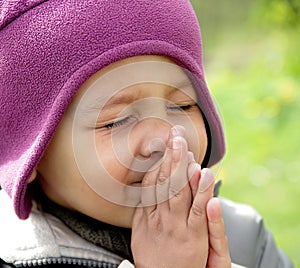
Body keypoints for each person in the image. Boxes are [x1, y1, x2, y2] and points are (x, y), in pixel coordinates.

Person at [0, 0, 294, 267]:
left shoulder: (244, 238)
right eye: (116, 121)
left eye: (182, 105)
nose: (163, 137)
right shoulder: (15, 257)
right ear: (28, 153)